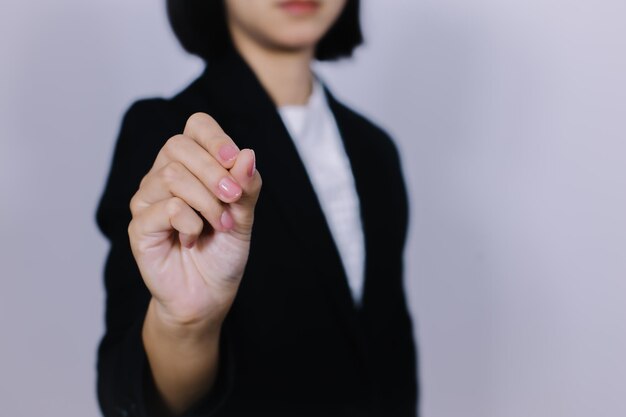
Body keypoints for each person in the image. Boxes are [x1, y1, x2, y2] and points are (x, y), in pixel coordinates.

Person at [96, 1, 418, 416]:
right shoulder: (168, 138)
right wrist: (187, 327)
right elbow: (125, 389)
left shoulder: (375, 150)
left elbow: (389, 351)